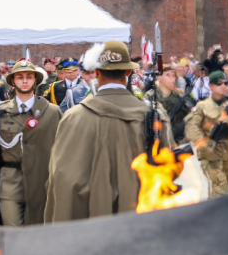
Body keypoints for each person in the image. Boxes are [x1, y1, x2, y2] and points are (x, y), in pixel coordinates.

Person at [44, 41, 170, 223]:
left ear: (96, 72)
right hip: (142, 221)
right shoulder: (155, 117)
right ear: (128, 72)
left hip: (92, 226)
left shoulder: (73, 118)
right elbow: (168, 170)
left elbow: (63, 180)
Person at [0, 59, 61, 226]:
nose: (24, 81)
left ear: (36, 81)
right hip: (9, 183)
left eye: (29, 77)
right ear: (12, 81)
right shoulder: (0, 111)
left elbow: (64, 147)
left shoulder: (52, 112)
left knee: (38, 232)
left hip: (42, 182)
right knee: (12, 232)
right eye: (19, 77)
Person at [185, 70, 228, 198]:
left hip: (227, 153)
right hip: (209, 153)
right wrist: (203, 145)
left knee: (219, 189)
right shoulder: (202, 106)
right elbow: (191, 126)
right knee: (222, 190)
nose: (223, 86)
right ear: (211, 86)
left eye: (225, 83)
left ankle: (212, 213)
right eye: (219, 84)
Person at [144, 65, 191, 144]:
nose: (172, 79)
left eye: (173, 75)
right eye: (167, 75)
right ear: (159, 78)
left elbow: (189, 116)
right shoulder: (150, 96)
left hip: (175, 141)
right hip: (155, 141)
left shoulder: (179, 97)